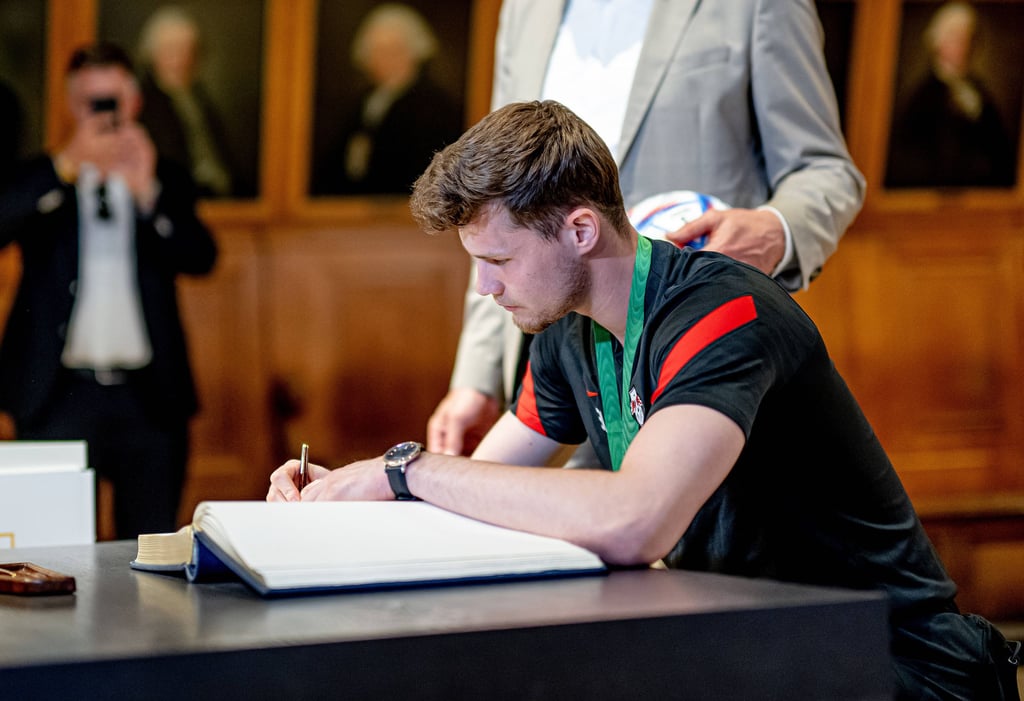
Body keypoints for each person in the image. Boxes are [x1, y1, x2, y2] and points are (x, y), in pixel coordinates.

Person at [269, 100, 1019, 700]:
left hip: (890, 663)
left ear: (580, 229)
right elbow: (467, 491)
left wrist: (407, 467)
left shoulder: (722, 311)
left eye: (497, 260)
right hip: (756, 646)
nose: (487, 288)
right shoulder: (564, 336)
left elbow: (637, 521)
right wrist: (341, 493)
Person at [427, 0, 866, 458]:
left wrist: (775, 230)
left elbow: (825, 169)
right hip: (560, 332)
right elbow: (489, 205)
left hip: (692, 336)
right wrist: (476, 378)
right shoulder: (525, 10)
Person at [0, 42, 217, 539]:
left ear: (134, 102)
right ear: (69, 106)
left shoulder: (166, 177)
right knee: (49, 548)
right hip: (56, 395)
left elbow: (201, 257)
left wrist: (148, 196)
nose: (101, 114)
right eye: (89, 102)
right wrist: (65, 166)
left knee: (149, 550)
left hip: (148, 397)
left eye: (111, 101)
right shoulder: (40, 177)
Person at [312, 3, 462, 195]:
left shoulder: (432, 105)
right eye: (377, 52)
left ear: (414, 52)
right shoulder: (362, 102)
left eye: (393, 50)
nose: (384, 60)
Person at [885, 1, 1016, 188]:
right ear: (939, 43)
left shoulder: (980, 92)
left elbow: (1000, 150)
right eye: (956, 39)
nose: (963, 47)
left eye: (968, 39)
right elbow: (910, 157)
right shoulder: (924, 95)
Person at [136, 5, 241, 197]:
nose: (179, 61)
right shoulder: (143, 104)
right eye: (171, 51)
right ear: (152, 54)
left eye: (186, 51)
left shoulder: (199, 99)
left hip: (221, 199)